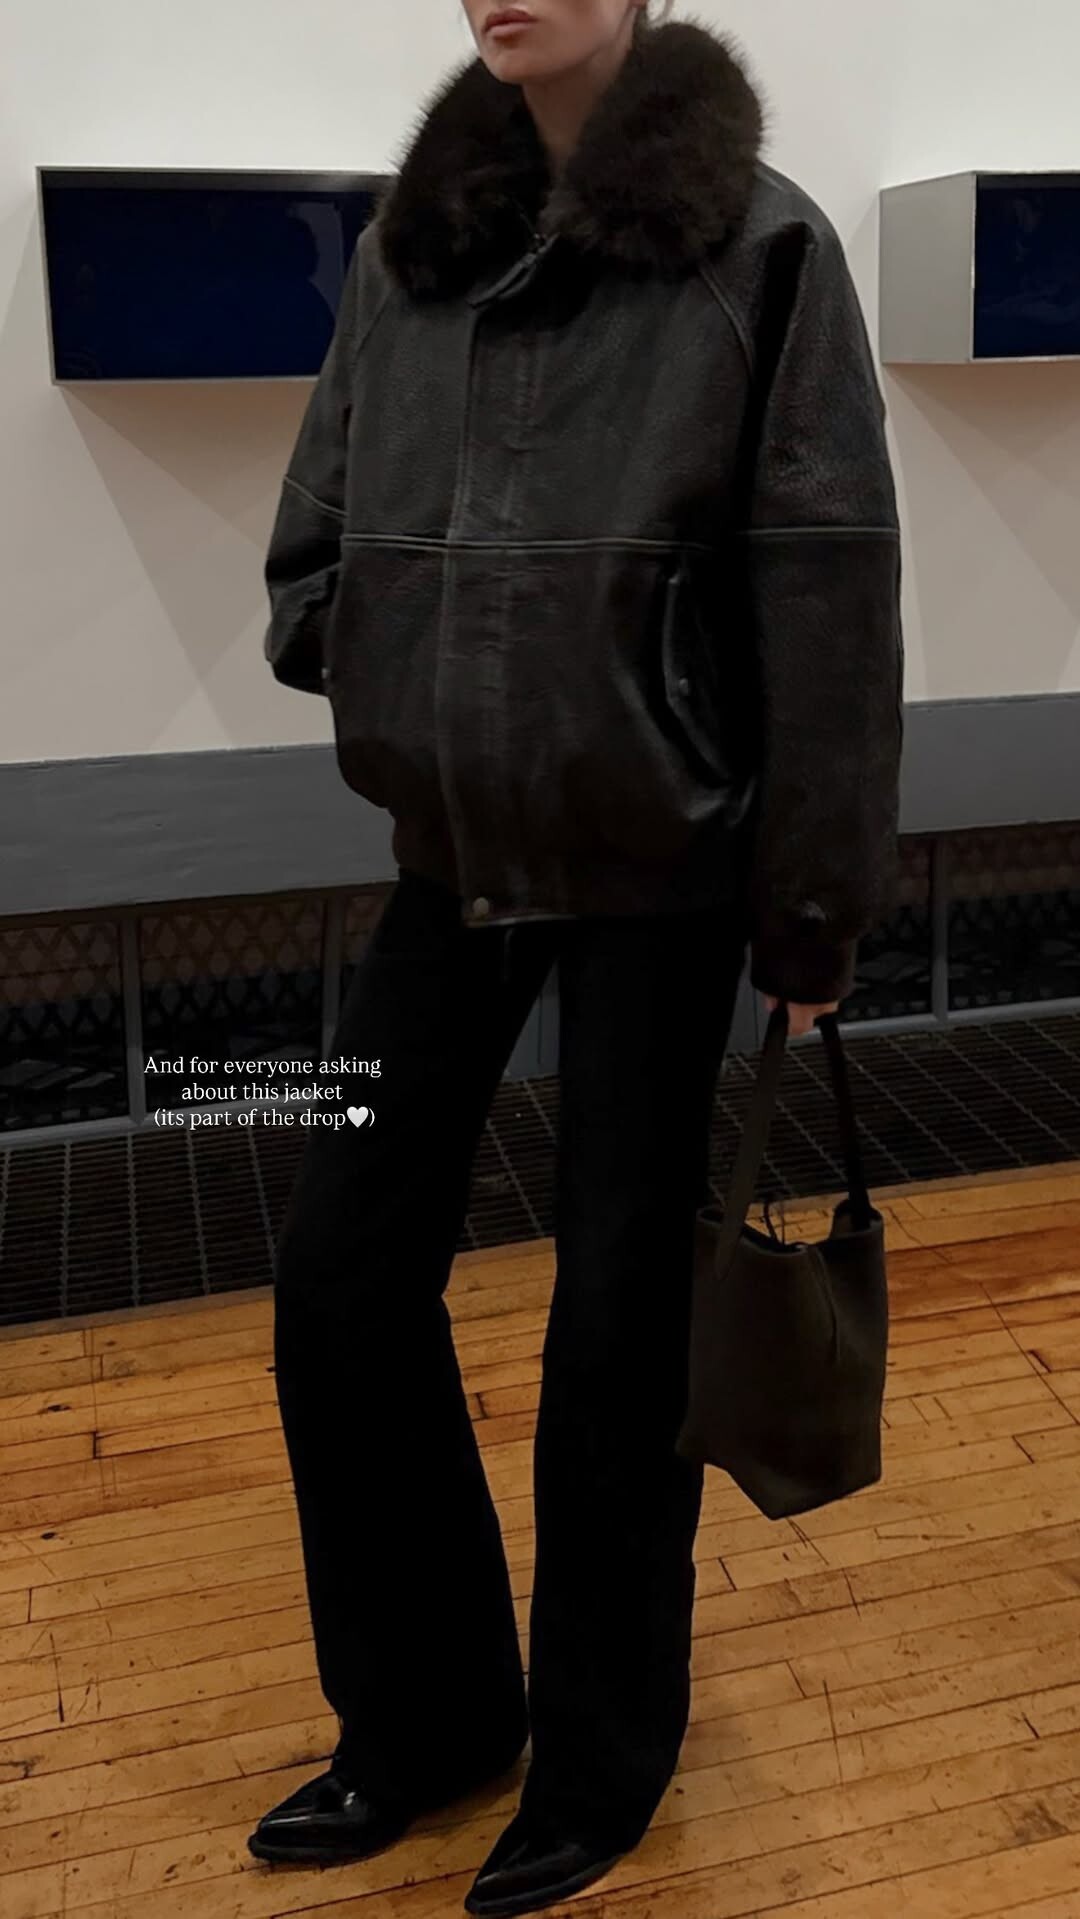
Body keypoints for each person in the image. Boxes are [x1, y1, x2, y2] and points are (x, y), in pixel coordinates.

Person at [248, 2, 904, 1913]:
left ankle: (602, 1761)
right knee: (339, 1277)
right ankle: (429, 1720)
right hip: (449, 852)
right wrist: (368, 650)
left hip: (661, 867)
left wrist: (813, 902)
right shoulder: (412, 244)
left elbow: (831, 582)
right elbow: (318, 521)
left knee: (620, 1325)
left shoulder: (761, 246)